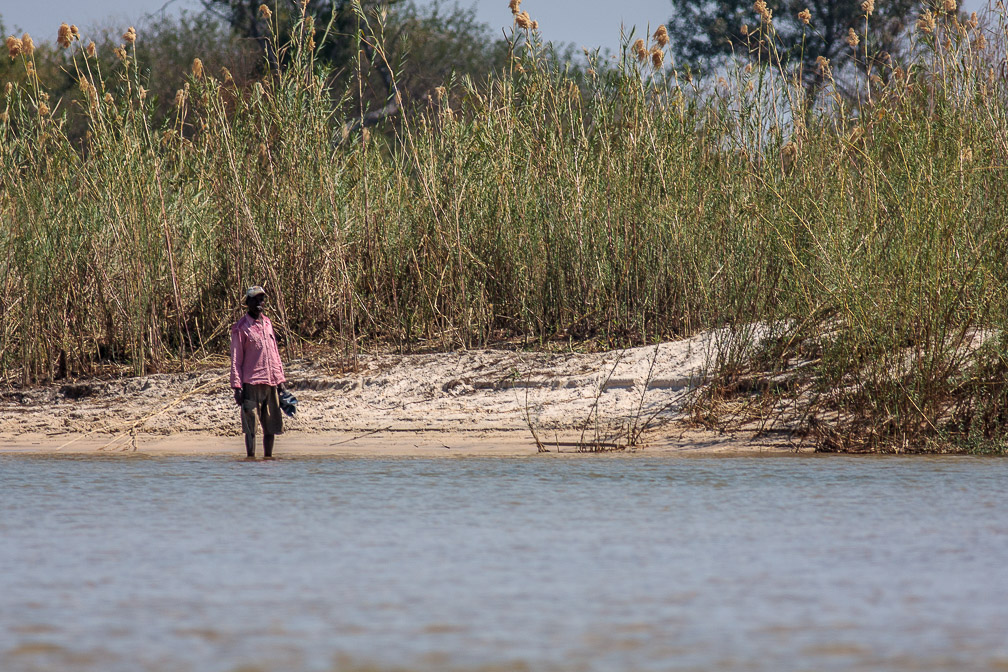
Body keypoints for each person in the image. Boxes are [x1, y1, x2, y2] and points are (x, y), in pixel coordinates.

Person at [230, 285, 287, 458]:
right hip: (250, 384)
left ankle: (268, 458)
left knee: (270, 428)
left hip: (270, 382)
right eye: (255, 299)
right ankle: (251, 458)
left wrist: (281, 381)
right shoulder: (240, 327)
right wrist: (237, 386)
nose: (259, 303)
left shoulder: (268, 323)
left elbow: (275, 354)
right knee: (251, 429)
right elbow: (236, 359)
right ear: (247, 302)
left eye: (262, 299)